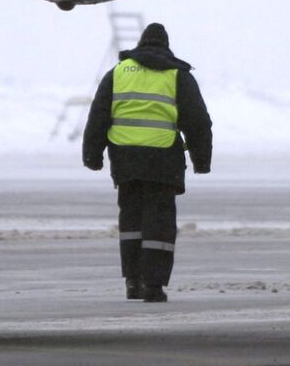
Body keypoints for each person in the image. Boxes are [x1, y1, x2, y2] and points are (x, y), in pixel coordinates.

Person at [82, 22, 212, 302]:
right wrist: (201, 160)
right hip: (162, 159)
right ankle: (153, 286)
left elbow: (98, 116)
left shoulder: (117, 73)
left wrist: (93, 155)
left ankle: (132, 282)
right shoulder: (177, 75)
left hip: (125, 158)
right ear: (166, 47)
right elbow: (198, 122)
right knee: (159, 221)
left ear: (140, 44)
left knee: (131, 220)